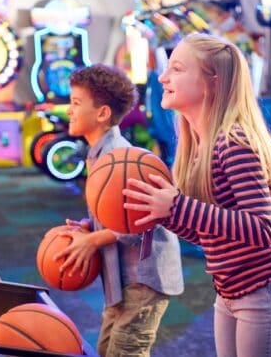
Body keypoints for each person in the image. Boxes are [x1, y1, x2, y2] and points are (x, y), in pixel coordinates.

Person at [122, 32, 271, 357]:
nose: (163, 77)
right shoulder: (199, 146)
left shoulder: (234, 143)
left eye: (177, 68)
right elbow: (208, 232)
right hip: (229, 288)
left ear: (211, 82)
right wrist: (167, 215)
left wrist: (178, 206)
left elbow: (262, 229)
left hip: (265, 288)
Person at [54, 63, 184, 357]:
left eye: (76, 103)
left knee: (125, 351)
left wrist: (93, 240)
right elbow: (114, 211)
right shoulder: (99, 154)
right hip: (122, 277)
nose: (69, 110)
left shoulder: (121, 158)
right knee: (105, 349)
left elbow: (137, 221)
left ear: (102, 114)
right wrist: (90, 225)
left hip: (145, 275)